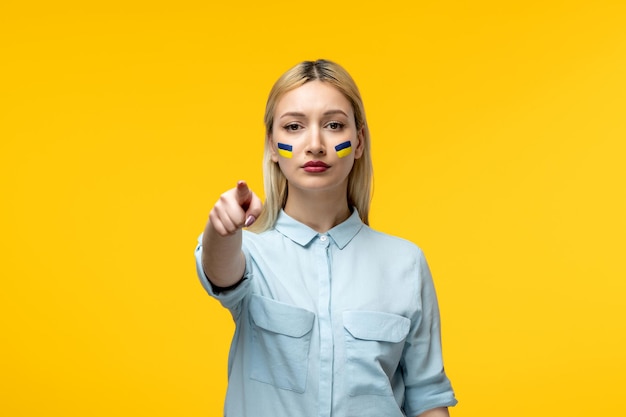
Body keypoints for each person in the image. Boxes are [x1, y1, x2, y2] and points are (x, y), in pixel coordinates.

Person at [194, 59, 457, 417]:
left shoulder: (406, 263)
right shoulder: (250, 252)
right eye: (294, 126)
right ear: (273, 145)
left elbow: (427, 398)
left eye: (334, 125)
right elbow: (220, 271)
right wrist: (221, 228)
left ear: (359, 142)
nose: (315, 144)